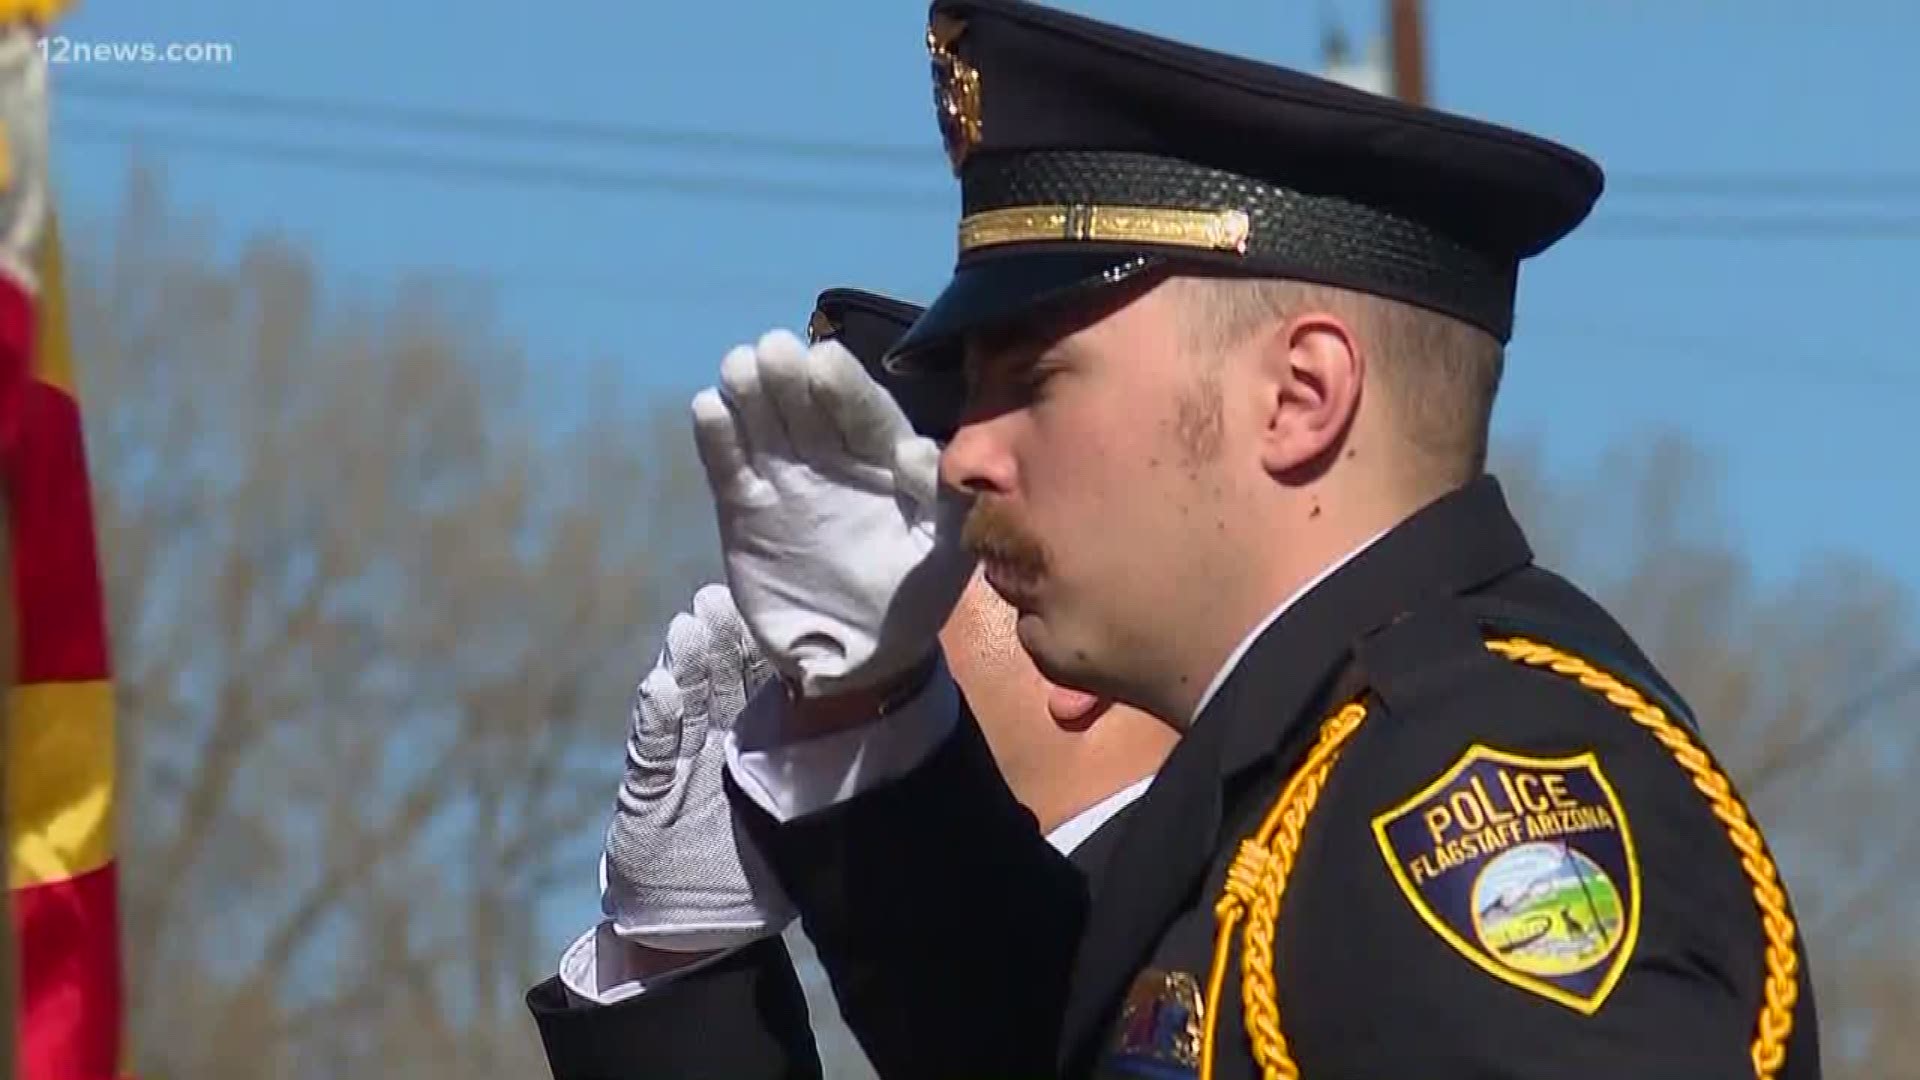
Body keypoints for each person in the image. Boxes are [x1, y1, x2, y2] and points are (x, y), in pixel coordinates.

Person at [691, 2, 1821, 1078]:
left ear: (1300, 396)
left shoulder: (1461, 783)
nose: (961, 457)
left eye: (1031, 379)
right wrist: (871, 705)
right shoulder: (1304, 783)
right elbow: (1030, 1039)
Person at [525, 287, 1176, 1080]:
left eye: (906, 548)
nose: (808, 621)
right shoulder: (974, 965)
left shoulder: (1209, 929)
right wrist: (675, 952)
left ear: (1068, 614)